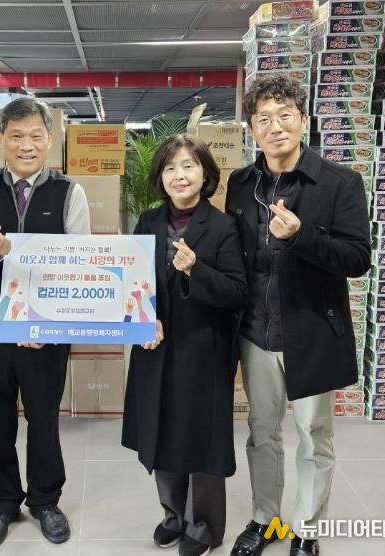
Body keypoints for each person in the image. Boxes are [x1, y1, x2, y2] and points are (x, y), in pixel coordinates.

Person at [225, 74, 371, 556]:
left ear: (303, 121)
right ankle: (266, 519)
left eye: (285, 116)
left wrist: (301, 236)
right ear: (252, 128)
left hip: (310, 330)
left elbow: (357, 259)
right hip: (255, 332)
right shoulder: (241, 184)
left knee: (313, 433)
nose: (275, 127)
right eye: (263, 118)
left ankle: (306, 530)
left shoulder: (339, 183)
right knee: (262, 432)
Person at [0, 97, 90, 551]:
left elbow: (79, 261)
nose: (26, 145)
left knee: (43, 417)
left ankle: (46, 501)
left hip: (46, 332)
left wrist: (47, 324)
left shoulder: (69, 192)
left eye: (36, 136)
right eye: (16, 136)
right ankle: (1, 503)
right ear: (0, 139)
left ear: (50, 139)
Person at [122, 134, 249, 556]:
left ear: (205, 174)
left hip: (202, 350)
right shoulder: (148, 221)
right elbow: (133, 282)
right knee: (161, 432)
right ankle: (173, 516)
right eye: (170, 167)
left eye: (189, 166)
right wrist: (145, 319)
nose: (179, 175)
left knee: (201, 439)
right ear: (160, 177)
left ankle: (204, 526)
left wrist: (197, 270)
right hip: (154, 346)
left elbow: (237, 292)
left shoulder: (224, 227)